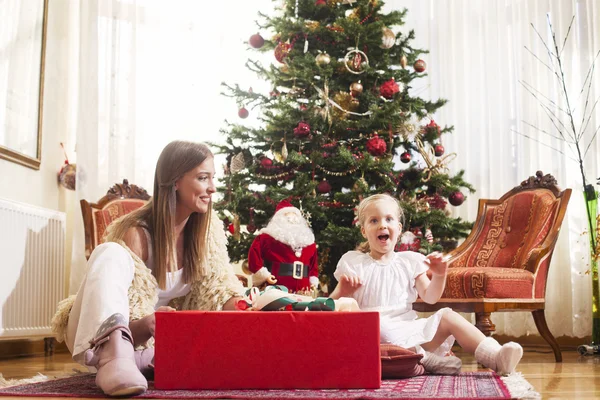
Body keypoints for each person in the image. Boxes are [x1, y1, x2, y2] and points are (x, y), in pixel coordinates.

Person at [51, 141, 245, 396]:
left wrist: (247, 307)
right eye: (203, 178)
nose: (212, 187)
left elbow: (218, 290)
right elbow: (123, 308)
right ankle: (117, 359)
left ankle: (145, 362)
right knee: (108, 251)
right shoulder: (135, 233)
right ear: (175, 181)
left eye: (213, 178)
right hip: (97, 333)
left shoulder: (207, 234)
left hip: (156, 338)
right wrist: (149, 324)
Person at [329, 193, 523, 376]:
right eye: (374, 221)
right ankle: (424, 359)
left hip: (407, 331)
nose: (382, 225)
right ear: (363, 231)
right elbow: (328, 308)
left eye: (389, 219)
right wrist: (342, 291)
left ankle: (496, 357)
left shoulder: (410, 261)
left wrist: (439, 275)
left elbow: (431, 297)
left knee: (448, 316)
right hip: (370, 336)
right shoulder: (353, 262)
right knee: (363, 318)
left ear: (399, 227)